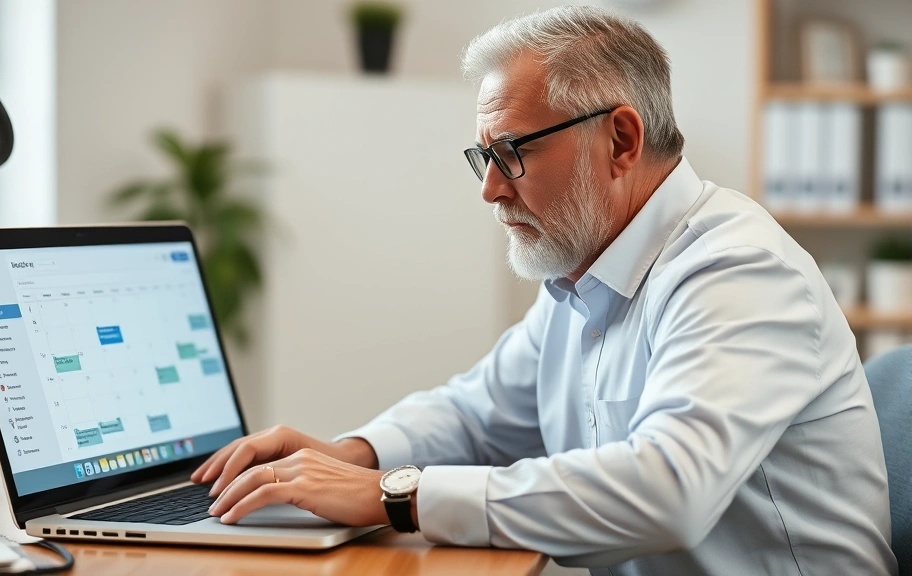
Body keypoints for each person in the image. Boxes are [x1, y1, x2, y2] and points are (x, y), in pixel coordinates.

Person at [192, 5, 897, 575]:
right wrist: (355, 456)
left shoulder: (737, 269)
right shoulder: (584, 273)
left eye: (514, 152)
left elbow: (668, 490)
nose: (492, 189)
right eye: (484, 156)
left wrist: (391, 496)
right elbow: (476, 414)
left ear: (621, 139)